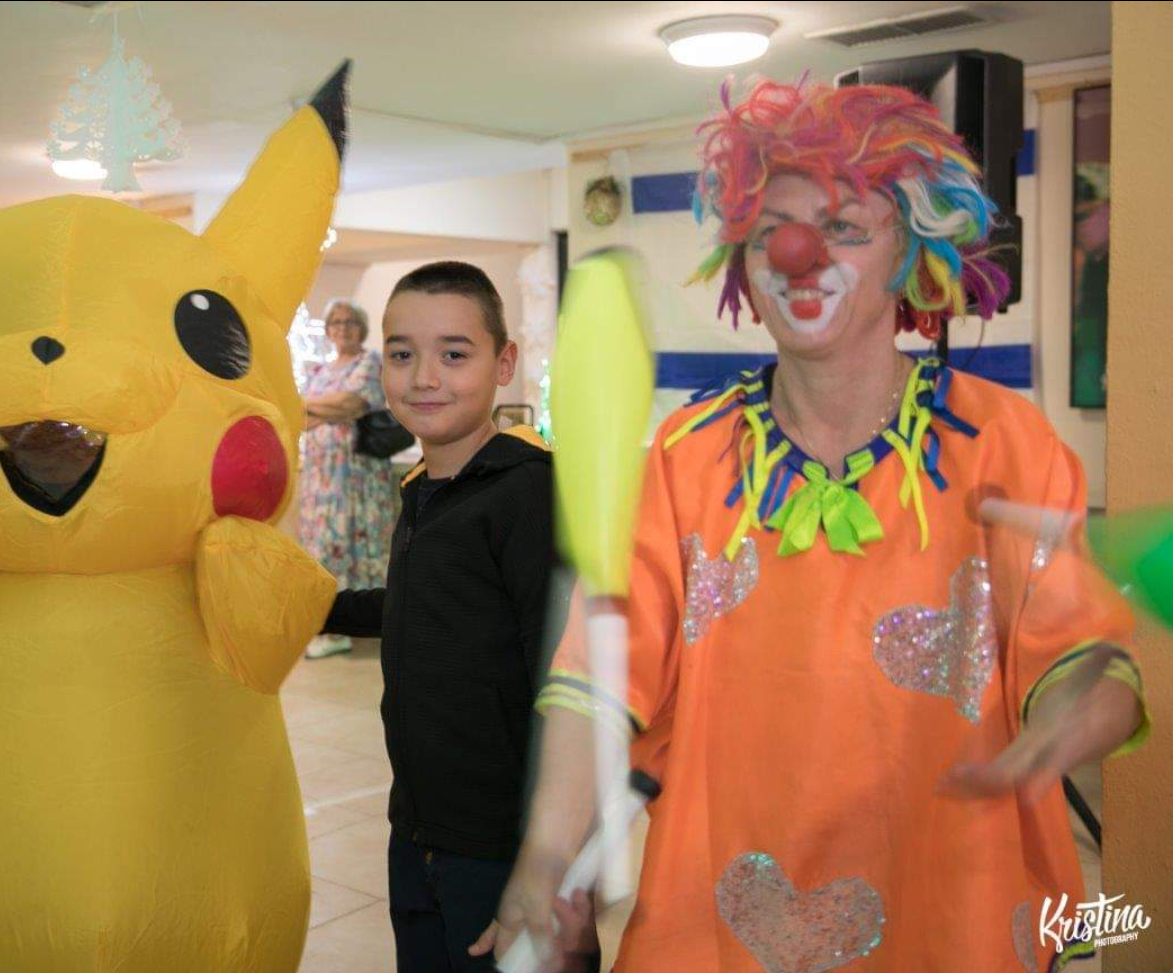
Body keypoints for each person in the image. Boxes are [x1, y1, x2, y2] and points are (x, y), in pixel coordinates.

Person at [486, 80, 1149, 972]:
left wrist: (1062, 723)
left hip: (955, 904)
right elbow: (598, 680)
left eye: (842, 226)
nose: (801, 253)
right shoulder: (687, 457)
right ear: (745, 261)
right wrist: (544, 850)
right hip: (721, 918)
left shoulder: (1001, 442)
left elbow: (1091, 665)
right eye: (774, 230)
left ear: (910, 252)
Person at [323, 262, 597, 972]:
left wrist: (548, 865)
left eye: (454, 353)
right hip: (418, 832)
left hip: (505, 849)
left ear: (504, 364)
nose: (424, 378)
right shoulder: (424, 488)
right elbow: (428, 606)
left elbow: (571, 691)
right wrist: (316, 607)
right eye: (402, 354)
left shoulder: (527, 495)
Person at [300, 298, 397, 659]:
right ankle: (331, 623)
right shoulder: (319, 371)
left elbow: (352, 404)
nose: (343, 328)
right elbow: (303, 418)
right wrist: (328, 408)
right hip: (320, 477)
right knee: (323, 547)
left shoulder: (370, 362)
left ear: (363, 328)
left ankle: (359, 622)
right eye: (337, 322)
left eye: (350, 322)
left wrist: (310, 404)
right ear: (327, 330)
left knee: (354, 544)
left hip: (358, 477)